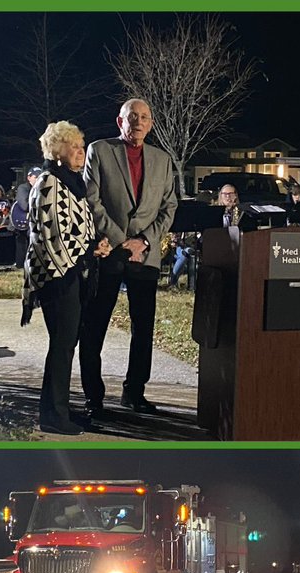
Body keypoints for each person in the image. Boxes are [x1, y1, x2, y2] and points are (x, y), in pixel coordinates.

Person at [80, 98, 178, 417]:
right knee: (95, 325)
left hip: (145, 255)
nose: (138, 122)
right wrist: (124, 241)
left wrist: (145, 241)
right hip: (109, 251)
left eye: (144, 117)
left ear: (151, 124)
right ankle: (93, 398)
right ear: (119, 121)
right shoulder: (99, 150)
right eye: (132, 116)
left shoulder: (163, 160)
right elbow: (91, 201)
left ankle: (134, 392)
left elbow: (169, 208)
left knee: (144, 327)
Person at [20, 121, 111, 435]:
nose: (81, 153)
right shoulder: (48, 183)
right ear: (58, 151)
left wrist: (95, 244)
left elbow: (79, 226)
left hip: (72, 271)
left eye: (81, 147)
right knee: (62, 344)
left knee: (66, 344)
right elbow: (54, 235)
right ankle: (53, 415)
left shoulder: (71, 182)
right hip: (56, 275)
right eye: (75, 147)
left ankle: (58, 410)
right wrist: (88, 252)